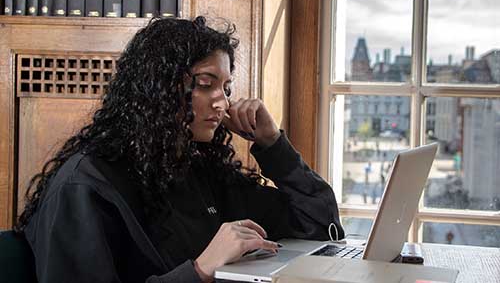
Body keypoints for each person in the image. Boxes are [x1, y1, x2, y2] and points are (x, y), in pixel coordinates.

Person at [15, 16, 344, 283]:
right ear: (156, 88)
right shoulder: (85, 186)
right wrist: (200, 270)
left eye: (226, 88)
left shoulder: (199, 169)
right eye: (205, 84)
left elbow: (318, 227)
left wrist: (273, 144)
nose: (223, 101)